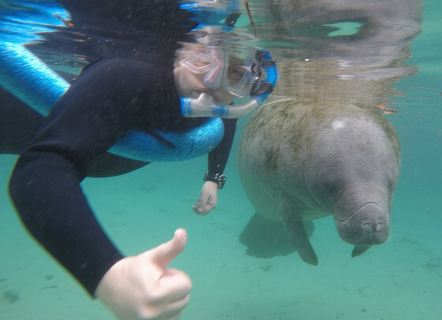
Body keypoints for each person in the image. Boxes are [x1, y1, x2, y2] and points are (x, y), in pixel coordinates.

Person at [0, 1, 276, 319]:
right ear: (185, 50)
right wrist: (109, 274)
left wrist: (213, 178)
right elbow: (40, 168)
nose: (211, 80)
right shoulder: (126, 76)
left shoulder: (217, 106)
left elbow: (225, 123)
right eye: (202, 59)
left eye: (235, 74)